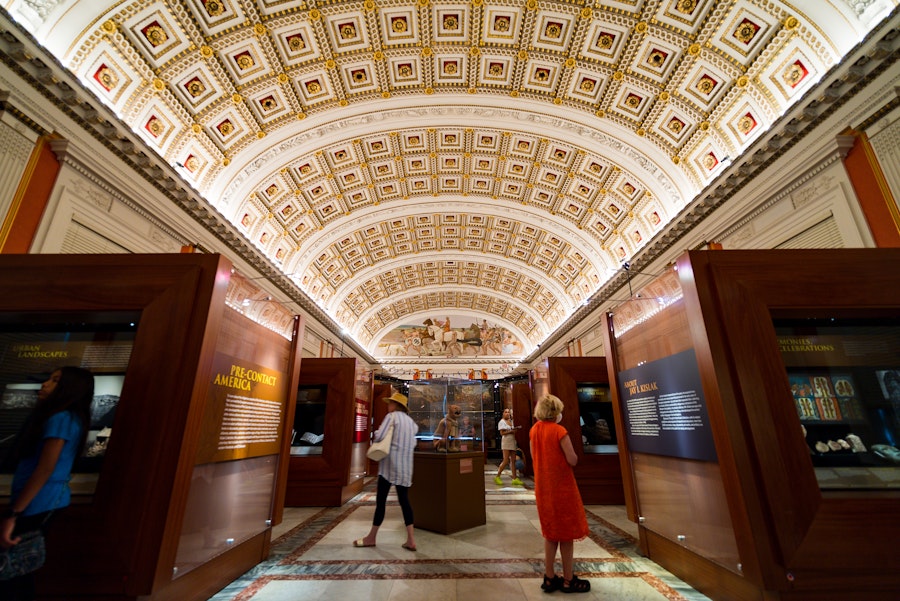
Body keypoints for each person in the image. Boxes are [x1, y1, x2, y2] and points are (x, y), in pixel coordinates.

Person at [1, 366, 94, 600]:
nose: (45, 384)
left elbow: (45, 468)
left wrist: (14, 513)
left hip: (39, 501)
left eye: (54, 381)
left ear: (69, 389)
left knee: (14, 571)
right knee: (21, 569)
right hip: (48, 499)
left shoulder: (60, 417)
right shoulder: (71, 417)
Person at [530, 394, 590, 593]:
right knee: (566, 535)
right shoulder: (559, 431)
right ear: (555, 411)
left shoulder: (534, 430)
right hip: (562, 488)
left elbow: (534, 457)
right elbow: (572, 459)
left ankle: (549, 577)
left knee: (550, 534)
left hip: (543, 488)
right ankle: (568, 579)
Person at [353, 391, 418, 551]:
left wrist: (377, 434)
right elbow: (413, 443)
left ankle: (371, 537)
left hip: (389, 467)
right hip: (405, 468)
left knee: (381, 502)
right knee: (405, 502)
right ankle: (411, 539)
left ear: (396, 405)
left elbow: (379, 437)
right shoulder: (412, 423)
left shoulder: (391, 417)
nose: (388, 405)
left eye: (390, 403)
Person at [494, 408, 522, 486]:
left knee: (513, 460)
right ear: (503, 413)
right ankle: (498, 476)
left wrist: (515, 430)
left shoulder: (511, 421)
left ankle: (514, 478)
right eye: (505, 412)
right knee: (506, 460)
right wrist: (511, 431)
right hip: (506, 441)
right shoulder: (502, 422)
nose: (507, 414)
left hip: (512, 441)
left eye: (508, 412)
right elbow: (502, 433)